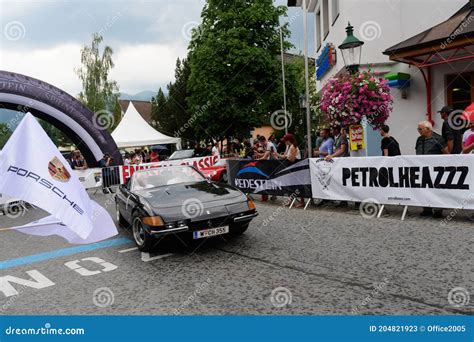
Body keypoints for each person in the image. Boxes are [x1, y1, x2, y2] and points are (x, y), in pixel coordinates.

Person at [416, 121, 448, 218]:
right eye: (418, 129)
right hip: (422, 168)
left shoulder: (438, 139)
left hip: (436, 169)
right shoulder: (419, 139)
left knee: (436, 189)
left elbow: (446, 153)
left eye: (420, 129)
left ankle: (438, 210)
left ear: (428, 129)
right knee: (424, 189)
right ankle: (427, 209)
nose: (418, 131)